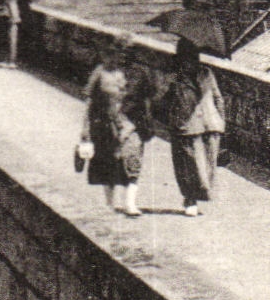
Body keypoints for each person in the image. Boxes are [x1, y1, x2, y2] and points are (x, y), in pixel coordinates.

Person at [80, 32, 155, 218]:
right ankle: (109, 204)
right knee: (108, 163)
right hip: (106, 123)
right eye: (120, 50)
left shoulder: (140, 73)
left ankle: (130, 203)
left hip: (133, 124)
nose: (123, 55)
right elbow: (89, 99)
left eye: (128, 51)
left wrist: (146, 124)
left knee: (132, 161)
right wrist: (85, 128)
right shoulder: (102, 71)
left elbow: (147, 100)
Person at [161, 38, 227, 217]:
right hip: (187, 126)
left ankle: (198, 196)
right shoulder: (174, 77)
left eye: (193, 57)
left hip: (210, 124)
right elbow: (163, 101)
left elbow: (218, 97)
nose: (191, 61)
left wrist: (221, 121)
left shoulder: (206, 73)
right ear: (180, 58)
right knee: (189, 166)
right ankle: (190, 199)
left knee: (208, 166)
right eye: (187, 57)